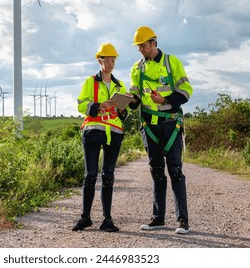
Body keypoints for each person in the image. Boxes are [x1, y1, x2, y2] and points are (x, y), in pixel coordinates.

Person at [128, 26, 193, 234]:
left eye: (143, 46)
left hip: (170, 124)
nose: (140, 50)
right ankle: (158, 219)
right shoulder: (137, 68)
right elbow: (136, 97)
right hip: (149, 126)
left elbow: (185, 91)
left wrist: (164, 99)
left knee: (175, 170)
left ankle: (182, 221)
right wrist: (127, 101)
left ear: (153, 43)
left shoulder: (172, 62)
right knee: (156, 171)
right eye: (138, 46)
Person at [72, 43, 129, 232]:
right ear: (100, 60)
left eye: (114, 59)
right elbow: (81, 105)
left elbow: (124, 114)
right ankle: (85, 217)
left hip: (114, 133)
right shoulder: (90, 82)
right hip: (93, 130)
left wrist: (121, 109)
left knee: (108, 176)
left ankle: (107, 220)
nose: (111, 63)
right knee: (90, 175)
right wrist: (99, 106)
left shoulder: (120, 85)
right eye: (107, 59)